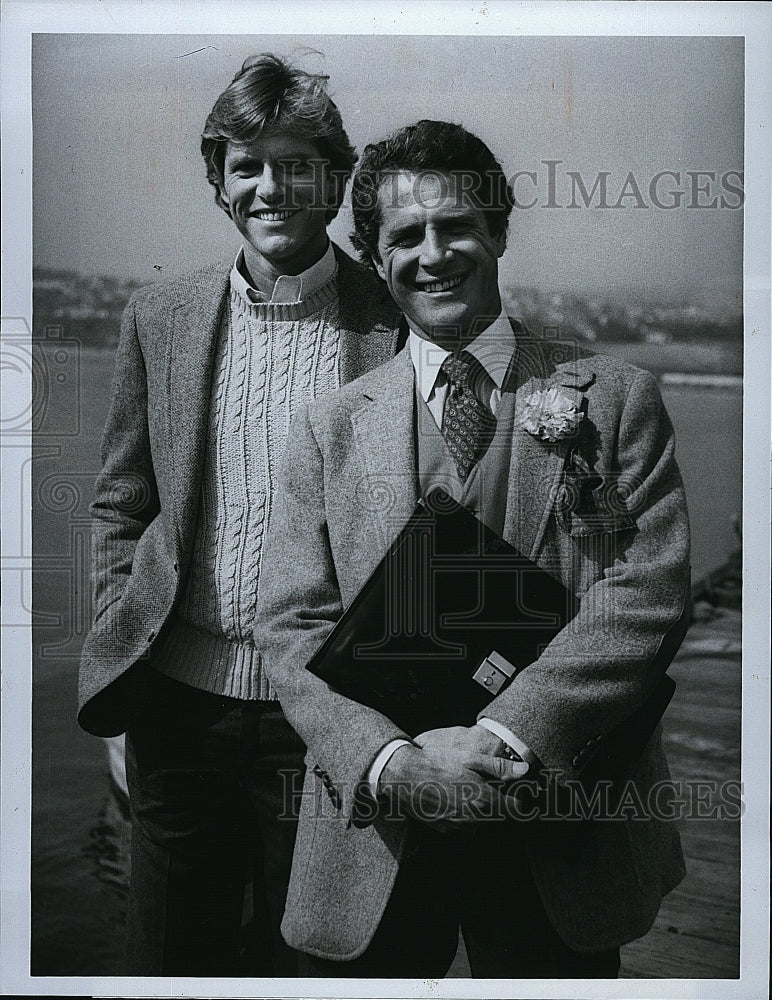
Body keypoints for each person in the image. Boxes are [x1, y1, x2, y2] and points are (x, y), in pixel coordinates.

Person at [256, 120, 692, 978]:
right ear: (377, 260)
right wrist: (397, 763)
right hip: (374, 841)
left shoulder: (612, 400)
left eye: (457, 225)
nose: (434, 253)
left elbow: (645, 593)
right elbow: (290, 629)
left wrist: (502, 739)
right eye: (406, 236)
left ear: (498, 232)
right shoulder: (328, 431)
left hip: (558, 827)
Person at [76, 54, 401, 976]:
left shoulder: (393, 319)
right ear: (219, 180)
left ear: (334, 181)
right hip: (177, 711)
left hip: (329, 714)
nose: (272, 186)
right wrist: (118, 626)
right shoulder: (163, 313)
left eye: (297, 162)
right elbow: (120, 497)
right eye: (247, 163)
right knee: (170, 961)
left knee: (321, 965)